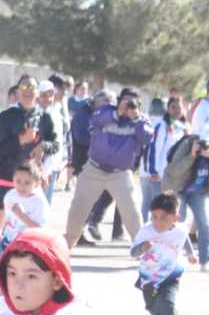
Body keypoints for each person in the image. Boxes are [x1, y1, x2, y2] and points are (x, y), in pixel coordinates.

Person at [63, 92, 152, 248]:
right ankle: (66, 245)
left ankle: (142, 250)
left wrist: (136, 118)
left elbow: (146, 138)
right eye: (125, 103)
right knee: (78, 209)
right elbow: (96, 119)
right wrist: (117, 113)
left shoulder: (142, 120)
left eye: (132, 104)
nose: (128, 107)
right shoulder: (105, 111)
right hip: (94, 169)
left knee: (132, 212)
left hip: (120, 173)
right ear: (117, 102)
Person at [130, 192, 195, 315]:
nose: (157, 222)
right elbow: (132, 252)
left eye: (163, 218)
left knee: (165, 305)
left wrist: (190, 254)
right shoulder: (146, 231)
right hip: (149, 278)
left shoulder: (180, 231)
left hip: (171, 277)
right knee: (153, 308)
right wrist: (142, 248)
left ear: (175, 218)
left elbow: (184, 239)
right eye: (154, 217)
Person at [0, 76, 46, 241]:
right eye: (24, 87)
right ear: (17, 92)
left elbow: (47, 146)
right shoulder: (7, 116)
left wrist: (42, 166)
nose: (28, 90)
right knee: (2, 227)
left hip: (32, 179)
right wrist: (20, 140)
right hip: (9, 177)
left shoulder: (43, 117)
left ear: (37, 92)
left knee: (31, 226)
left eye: (32, 87)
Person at [167, 136, 209, 271]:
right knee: (178, 222)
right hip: (179, 189)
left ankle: (206, 261)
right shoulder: (187, 144)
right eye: (202, 142)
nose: (204, 146)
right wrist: (192, 155)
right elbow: (174, 170)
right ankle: (173, 257)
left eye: (208, 143)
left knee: (205, 224)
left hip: (199, 191)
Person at [0, 162, 49, 283]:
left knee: (22, 276)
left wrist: (21, 215)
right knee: (8, 273)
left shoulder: (38, 202)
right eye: (18, 181)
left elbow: (40, 228)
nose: (22, 186)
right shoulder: (10, 195)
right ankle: (2, 297)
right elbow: (4, 214)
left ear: (36, 183)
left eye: (27, 183)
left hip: (28, 246)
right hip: (10, 241)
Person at [140, 95, 187, 222]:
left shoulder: (182, 127)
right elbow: (154, 148)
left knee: (163, 207)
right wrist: (153, 171)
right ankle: (144, 234)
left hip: (173, 175)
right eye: (173, 107)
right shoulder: (162, 125)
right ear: (167, 109)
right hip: (156, 174)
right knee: (152, 205)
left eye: (179, 107)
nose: (176, 110)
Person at [37, 79, 67, 202]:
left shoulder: (56, 112)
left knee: (45, 203)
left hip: (52, 164)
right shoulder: (34, 112)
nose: (47, 98)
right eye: (44, 95)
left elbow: (59, 139)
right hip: (37, 165)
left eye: (50, 94)